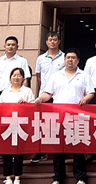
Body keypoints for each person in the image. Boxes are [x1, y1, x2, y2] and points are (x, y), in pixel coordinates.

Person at [35, 48, 95, 184]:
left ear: (78, 61)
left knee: (78, 147)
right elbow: (48, 93)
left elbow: (91, 92)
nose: (70, 60)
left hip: (77, 116)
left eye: (73, 58)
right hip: (58, 116)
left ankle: (80, 177)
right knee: (58, 148)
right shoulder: (56, 75)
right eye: (68, 58)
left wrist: (85, 99)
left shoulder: (84, 75)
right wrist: (40, 99)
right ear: (64, 60)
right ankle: (58, 177)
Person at [0, 35, 31, 164]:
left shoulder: (22, 61)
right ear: (4, 46)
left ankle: (14, 152)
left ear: (17, 47)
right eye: (8, 44)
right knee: (0, 125)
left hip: (17, 95)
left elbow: (26, 79)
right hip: (1, 94)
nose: (10, 47)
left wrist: (24, 93)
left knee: (16, 125)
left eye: (13, 44)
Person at [31, 31, 65, 164]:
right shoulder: (41, 58)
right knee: (43, 124)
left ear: (59, 42)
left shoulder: (64, 57)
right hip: (44, 95)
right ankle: (41, 151)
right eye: (50, 40)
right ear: (46, 42)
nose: (52, 42)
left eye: (55, 40)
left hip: (59, 96)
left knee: (59, 123)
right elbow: (39, 77)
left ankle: (59, 149)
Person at [0, 67, 35, 184]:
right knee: (6, 151)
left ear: (23, 78)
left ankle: (18, 177)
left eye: (19, 75)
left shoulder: (27, 91)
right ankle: (8, 177)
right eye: (14, 75)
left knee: (19, 152)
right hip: (7, 125)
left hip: (21, 125)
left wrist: (25, 104)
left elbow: (33, 107)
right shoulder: (5, 92)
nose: (16, 77)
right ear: (10, 78)